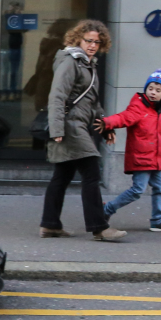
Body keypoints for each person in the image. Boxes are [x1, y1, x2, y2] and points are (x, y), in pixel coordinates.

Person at [39, 19, 125, 242]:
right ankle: (99, 227)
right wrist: (57, 128)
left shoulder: (88, 64)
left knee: (62, 176)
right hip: (70, 126)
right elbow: (57, 95)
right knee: (91, 172)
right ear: (78, 39)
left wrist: (106, 126)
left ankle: (50, 225)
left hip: (77, 125)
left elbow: (92, 103)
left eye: (97, 42)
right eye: (88, 40)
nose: (93, 45)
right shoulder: (70, 61)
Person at [100, 69, 161, 233]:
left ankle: (158, 220)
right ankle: (107, 209)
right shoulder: (139, 107)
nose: (153, 92)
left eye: (158, 90)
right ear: (146, 88)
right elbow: (124, 117)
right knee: (137, 190)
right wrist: (107, 123)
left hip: (155, 158)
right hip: (141, 157)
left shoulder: (158, 111)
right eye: (150, 88)